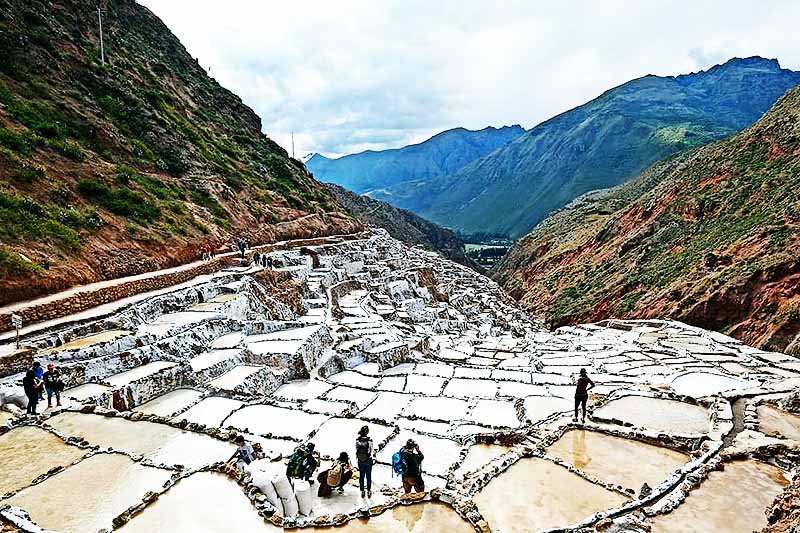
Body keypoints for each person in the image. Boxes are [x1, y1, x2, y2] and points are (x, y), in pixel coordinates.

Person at [355, 425, 374, 498]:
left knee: (361, 476)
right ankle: (369, 490)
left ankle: (362, 491)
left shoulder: (357, 440)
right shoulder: (369, 441)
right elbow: (371, 450)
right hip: (368, 460)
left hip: (360, 460)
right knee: (368, 476)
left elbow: (356, 449)